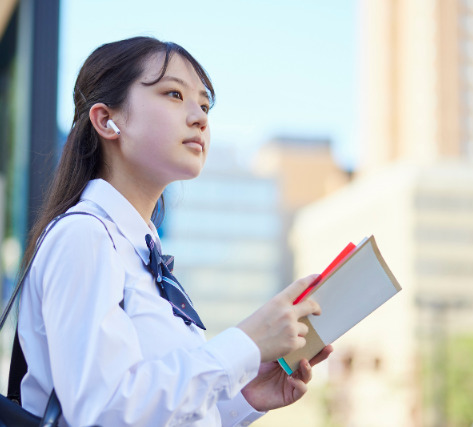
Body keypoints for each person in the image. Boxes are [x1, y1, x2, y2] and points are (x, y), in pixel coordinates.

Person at [17, 36, 333, 427]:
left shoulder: (140, 254)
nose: (200, 117)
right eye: (173, 94)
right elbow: (104, 412)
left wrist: (243, 398)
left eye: (204, 104)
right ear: (106, 120)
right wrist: (246, 342)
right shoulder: (83, 236)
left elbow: (151, 411)